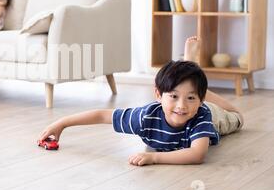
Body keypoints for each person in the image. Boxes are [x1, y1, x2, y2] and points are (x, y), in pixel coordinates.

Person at [39, 37, 244, 166]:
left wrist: (154, 157)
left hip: (213, 116)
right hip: (198, 101)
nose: (181, 106)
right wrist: (61, 124)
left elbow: (197, 154)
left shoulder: (201, 115)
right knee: (187, 89)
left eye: (190, 98)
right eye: (173, 96)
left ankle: (195, 79)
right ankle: (192, 76)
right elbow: (103, 115)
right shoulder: (146, 116)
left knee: (238, 118)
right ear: (158, 94)